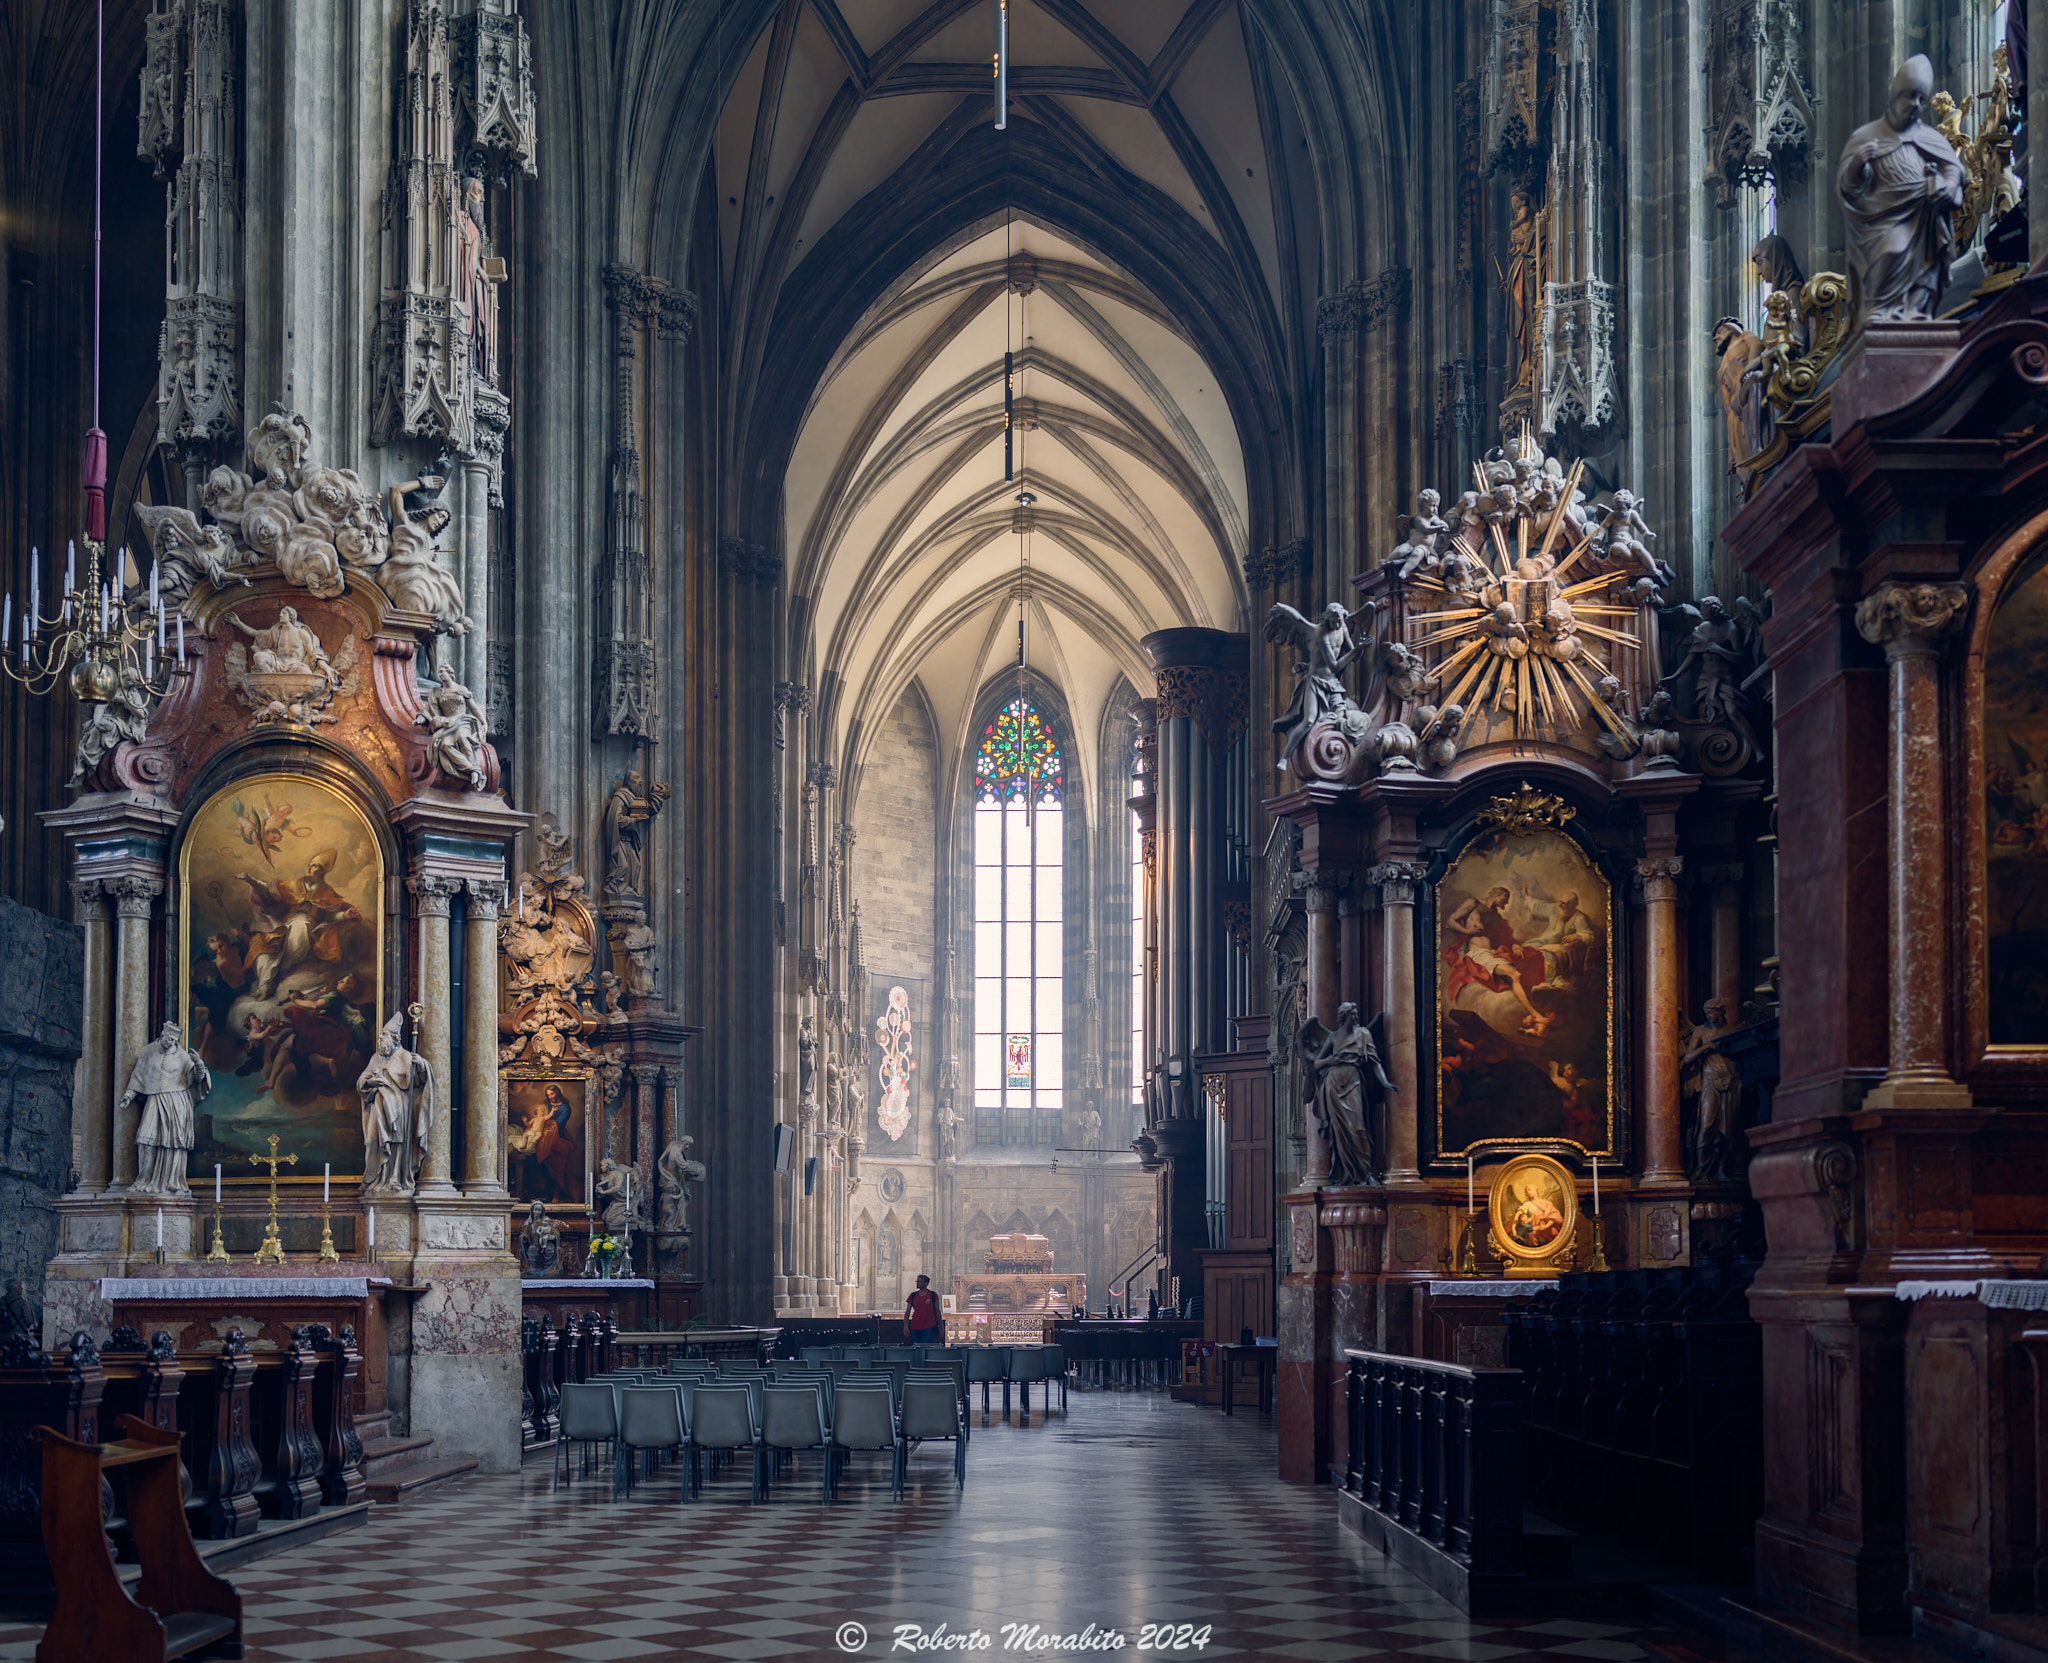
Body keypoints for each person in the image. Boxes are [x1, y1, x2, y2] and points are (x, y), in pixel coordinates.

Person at [904, 1274, 942, 1346]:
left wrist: (941, 1328)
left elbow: (937, 1312)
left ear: (926, 1283)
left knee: (927, 1347)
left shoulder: (933, 1295)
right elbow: (907, 1312)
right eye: (917, 1281)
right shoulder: (913, 1295)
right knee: (916, 1347)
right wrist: (905, 1326)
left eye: (920, 1282)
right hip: (915, 1326)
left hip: (929, 1326)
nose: (917, 1283)